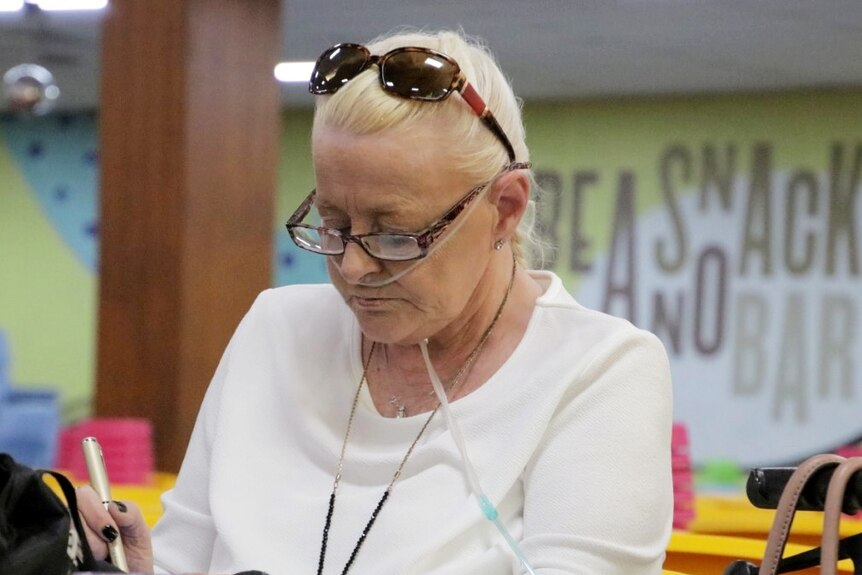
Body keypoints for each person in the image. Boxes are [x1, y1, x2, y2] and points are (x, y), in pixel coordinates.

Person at [78, 29, 673, 575]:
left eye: (396, 235)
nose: (354, 266)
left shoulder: (600, 372)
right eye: (333, 223)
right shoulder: (274, 330)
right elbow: (189, 556)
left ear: (506, 207)